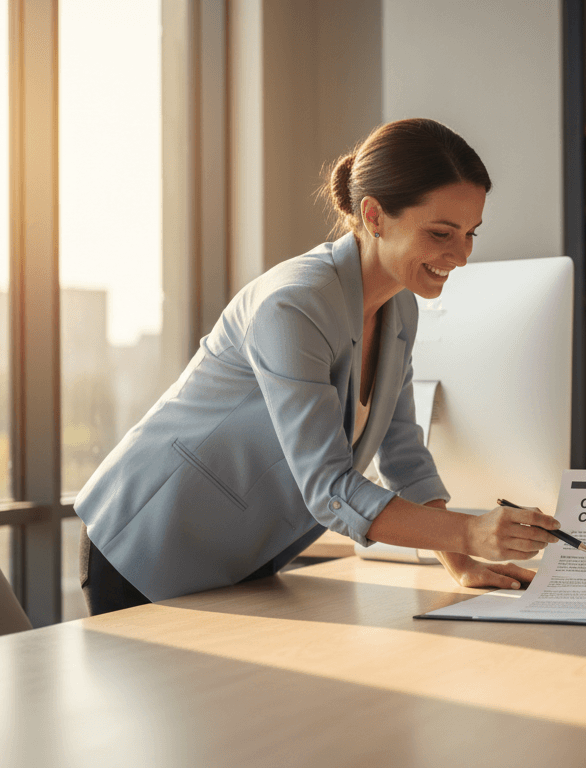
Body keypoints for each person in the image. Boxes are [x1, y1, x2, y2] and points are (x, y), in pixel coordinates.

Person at [75, 118, 560, 615]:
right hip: (148, 543)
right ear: (374, 215)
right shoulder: (294, 305)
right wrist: (470, 530)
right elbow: (329, 487)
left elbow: (402, 455)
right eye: (441, 232)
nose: (460, 256)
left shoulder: (400, 308)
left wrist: (461, 559)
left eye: (469, 233)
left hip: (237, 555)